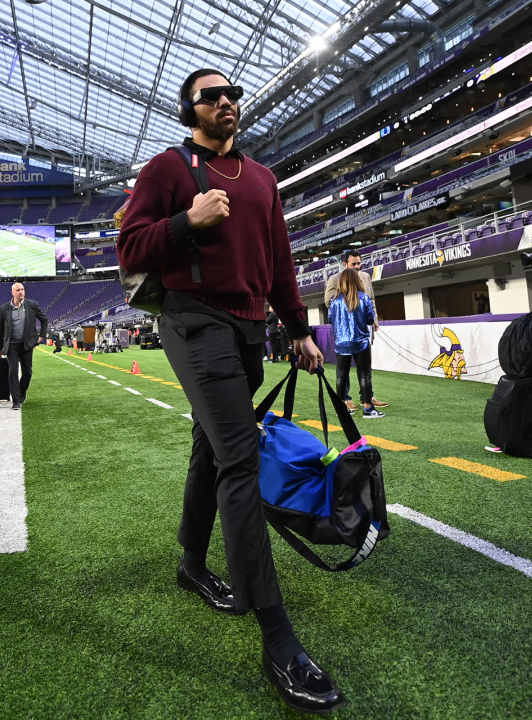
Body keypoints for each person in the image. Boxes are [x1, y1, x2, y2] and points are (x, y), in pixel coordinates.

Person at [116, 67, 342, 714]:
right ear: (190, 108)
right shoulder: (167, 169)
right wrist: (187, 220)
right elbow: (129, 248)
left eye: (234, 95)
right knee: (241, 459)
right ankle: (279, 639)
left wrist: (298, 328)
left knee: (212, 449)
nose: (227, 103)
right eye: (213, 97)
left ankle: (191, 561)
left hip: (248, 329)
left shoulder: (263, 179)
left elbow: (279, 260)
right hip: (191, 321)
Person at [324, 250, 388, 412]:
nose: (358, 266)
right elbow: (328, 302)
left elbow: (371, 299)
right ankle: (346, 399)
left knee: (365, 367)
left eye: (359, 263)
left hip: (362, 329)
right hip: (346, 329)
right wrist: (349, 313)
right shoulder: (334, 279)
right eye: (354, 264)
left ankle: (367, 397)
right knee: (343, 369)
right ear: (345, 264)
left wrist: (374, 319)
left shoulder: (366, 277)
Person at [0, 282, 48, 411]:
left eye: (22, 289)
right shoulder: (4, 308)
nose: (20, 292)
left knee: (28, 373)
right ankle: (16, 400)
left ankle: (22, 391)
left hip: (27, 344)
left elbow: (44, 319)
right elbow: (0, 328)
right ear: (12, 292)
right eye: (18, 290)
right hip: (11, 345)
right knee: (13, 371)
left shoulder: (32, 304)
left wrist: (41, 336)